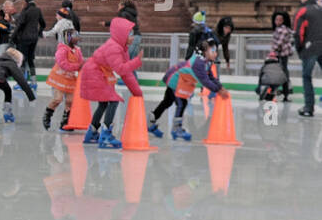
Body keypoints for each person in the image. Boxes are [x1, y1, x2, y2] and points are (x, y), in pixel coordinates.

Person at [78, 16, 143, 148]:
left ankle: (93, 133)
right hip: (94, 72)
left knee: (103, 103)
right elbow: (120, 69)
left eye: (133, 34)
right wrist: (136, 61)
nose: (133, 37)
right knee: (113, 100)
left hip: (99, 72)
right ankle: (106, 134)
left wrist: (137, 92)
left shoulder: (121, 47)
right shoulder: (114, 47)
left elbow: (126, 74)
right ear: (122, 34)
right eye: (130, 34)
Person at [149, 40, 225, 141]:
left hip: (176, 78)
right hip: (175, 79)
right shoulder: (199, 63)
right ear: (205, 52)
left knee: (167, 102)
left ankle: (151, 120)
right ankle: (176, 129)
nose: (215, 54)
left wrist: (220, 86)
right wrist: (218, 90)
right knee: (181, 102)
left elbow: (211, 77)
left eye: (216, 51)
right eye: (213, 51)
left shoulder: (206, 62)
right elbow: (205, 81)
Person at [43, 28, 83, 131]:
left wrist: (82, 67)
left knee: (70, 101)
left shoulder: (78, 50)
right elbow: (63, 64)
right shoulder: (62, 49)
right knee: (58, 99)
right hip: (59, 78)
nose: (76, 38)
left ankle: (65, 122)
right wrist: (77, 66)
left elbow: (81, 63)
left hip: (71, 79)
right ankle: (47, 116)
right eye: (74, 36)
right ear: (68, 38)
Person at [296, 0, 322, 117]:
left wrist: (299, 48)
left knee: (307, 77)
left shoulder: (303, 11)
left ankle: (308, 107)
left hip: (309, 47)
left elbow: (299, 32)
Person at [10, 0, 45, 85]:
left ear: (25, 1)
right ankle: (34, 82)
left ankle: (21, 83)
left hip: (24, 38)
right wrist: (39, 33)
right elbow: (43, 24)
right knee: (30, 60)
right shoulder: (38, 10)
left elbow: (20, 25)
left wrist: (12, 37)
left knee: (22, 59)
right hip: (34, 38)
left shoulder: (25, 11)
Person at [268, 9, 294, 100]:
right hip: (277, 54)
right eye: (276, 20)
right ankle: (282, 93)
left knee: (281, 74)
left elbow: (279, 43)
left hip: (282, 55)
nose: (277, 22)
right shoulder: (277, 29)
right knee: (280, 73)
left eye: (279, 20)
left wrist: (272, 51)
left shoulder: (283, 30)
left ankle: (281, 92)